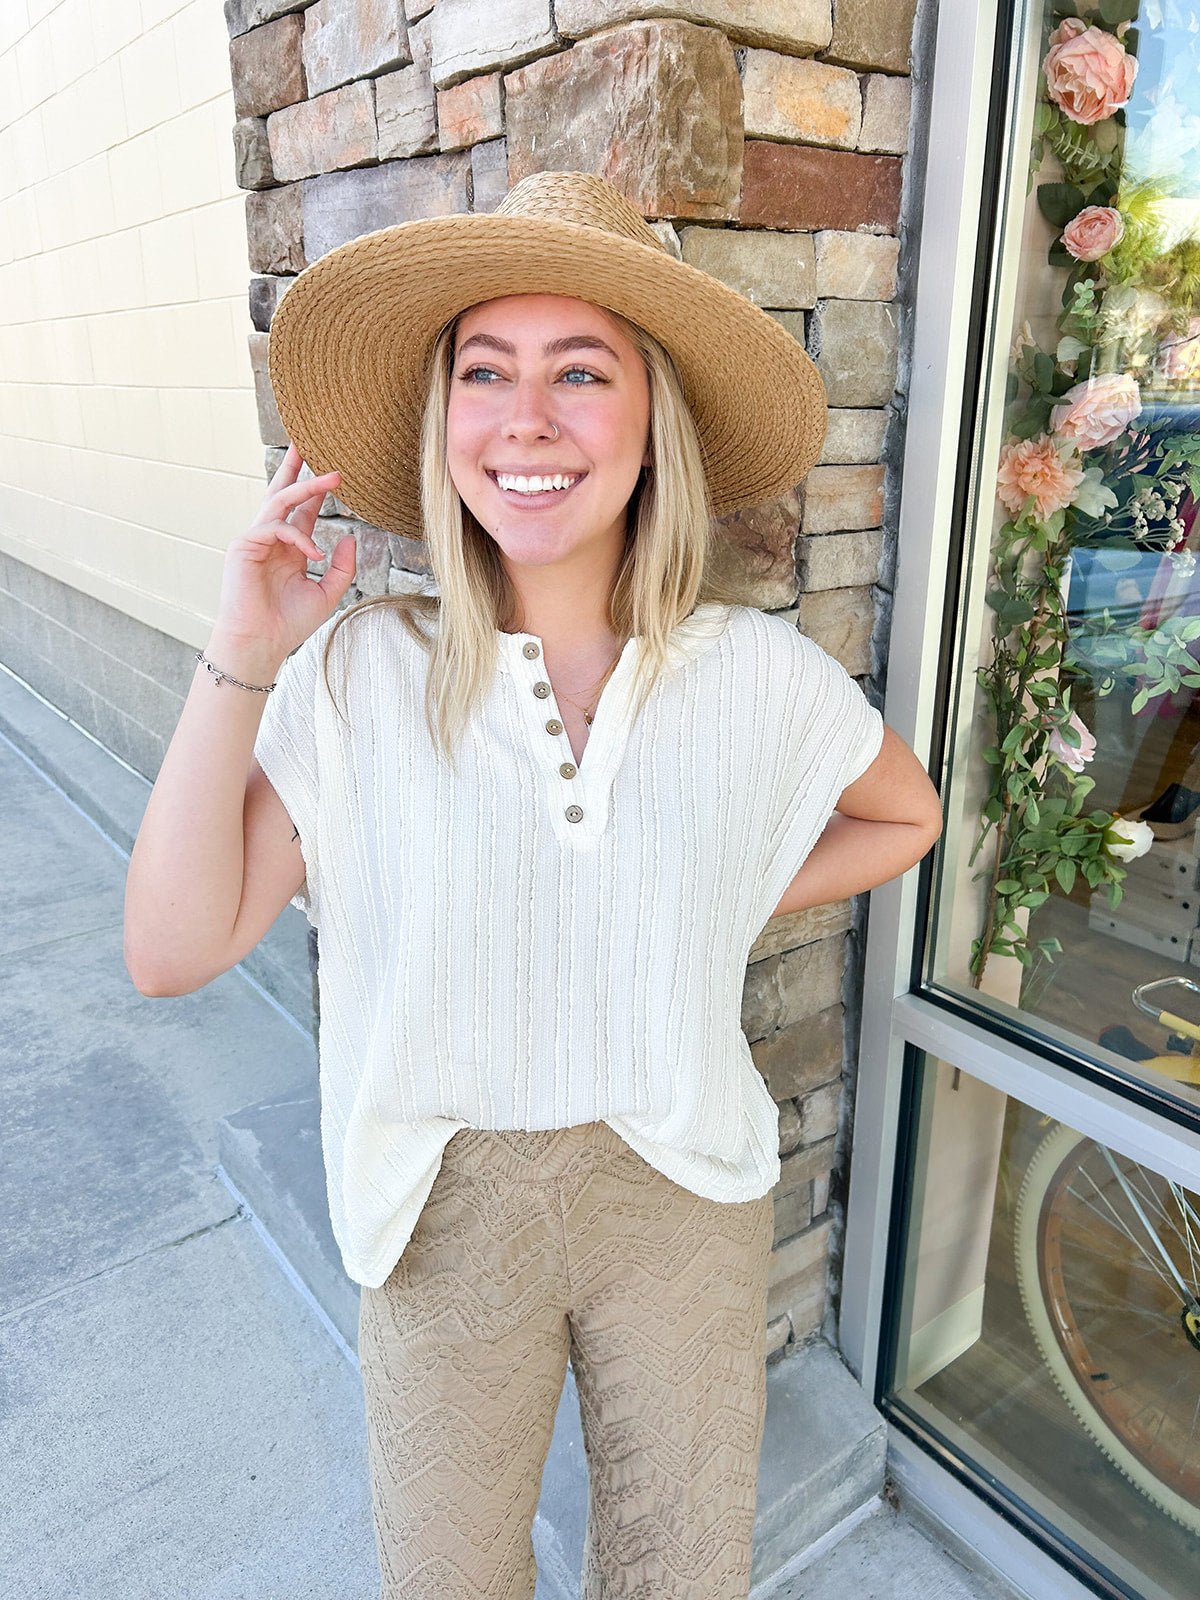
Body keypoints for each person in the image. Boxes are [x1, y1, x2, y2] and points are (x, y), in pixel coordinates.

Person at [124, 171, 942, 1600]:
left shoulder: (750, 675)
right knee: (445, 1573)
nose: (528, 419)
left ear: (651, 423)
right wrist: (244, 649)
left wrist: (707, 898)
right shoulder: (360, 674)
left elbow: (907, 815)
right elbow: (173, 950)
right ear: (446, 425)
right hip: (441, 1202)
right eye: (485, 373)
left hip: (681, 1185)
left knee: (683, 1563)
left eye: (582, 370)